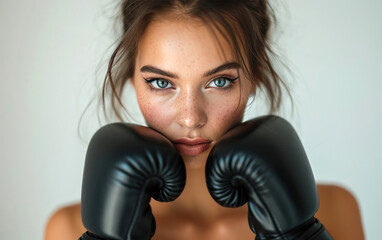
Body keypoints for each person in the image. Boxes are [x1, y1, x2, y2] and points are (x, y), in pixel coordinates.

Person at [44, 1, 364, 239]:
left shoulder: (335, 210)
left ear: (254, 77)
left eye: (220, 81)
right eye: (160, 82)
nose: (190, 118)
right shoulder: (67, 229)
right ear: (132, 81)